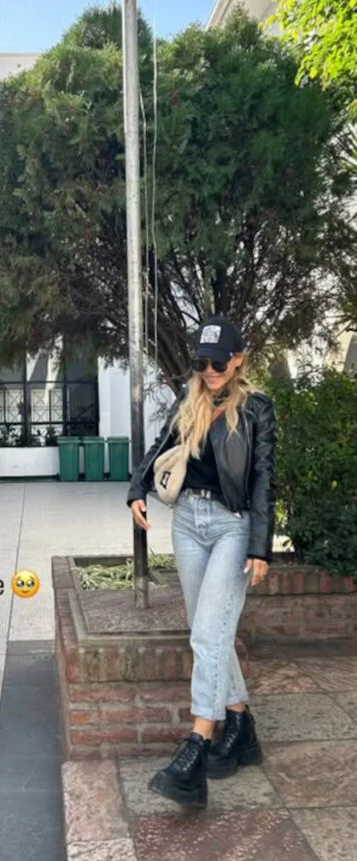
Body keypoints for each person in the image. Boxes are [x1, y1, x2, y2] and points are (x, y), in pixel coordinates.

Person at [126, 315, 277, 809]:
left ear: (238, 360)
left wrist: (260, 545)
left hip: (233, 526)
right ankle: (241, 724)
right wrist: (136, 488)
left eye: (217, 362)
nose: (209, 371)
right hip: (188, 522)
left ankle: (197, 745)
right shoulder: (187, 401)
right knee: (209, 631)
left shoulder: (256, 408)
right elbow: (160, 448)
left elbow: (263, 477)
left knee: (209, 635)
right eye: (201, 362)